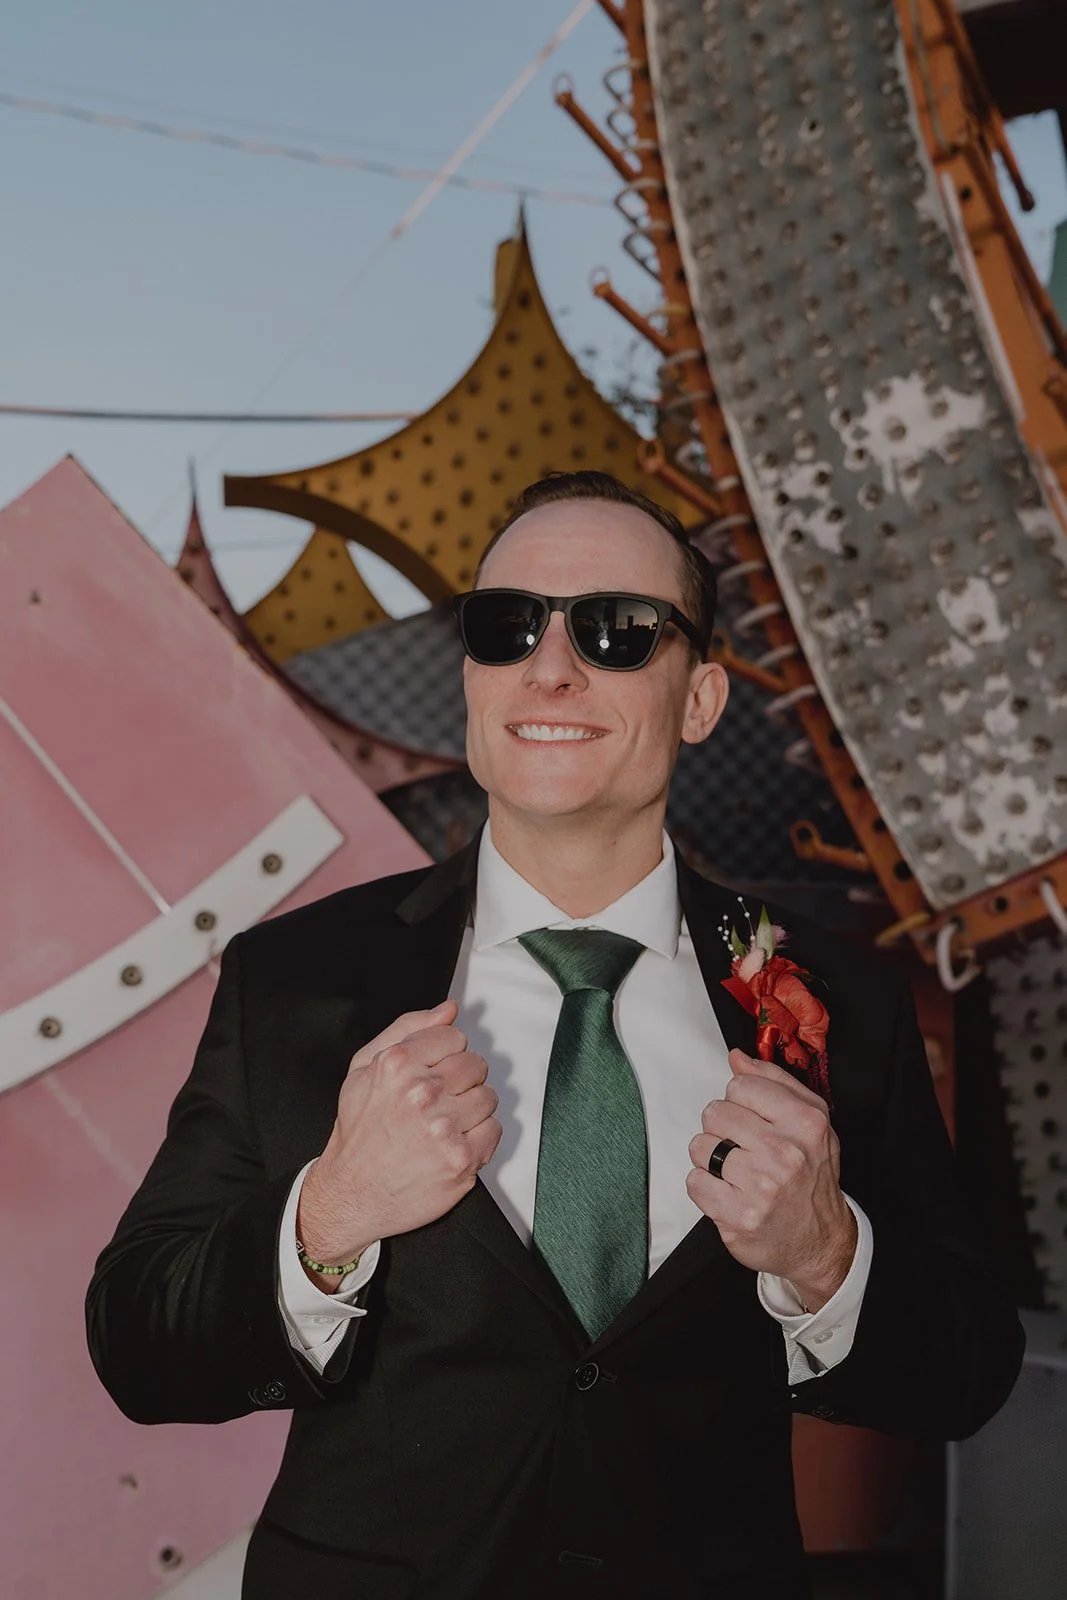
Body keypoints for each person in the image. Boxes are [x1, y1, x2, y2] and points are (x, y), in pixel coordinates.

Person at [87, 471, 1023, 1599]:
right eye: (507, 625)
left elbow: (964, 1372)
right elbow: (139, 1345)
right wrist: (331, 1212)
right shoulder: (295, 981)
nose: (549, 666)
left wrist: (825, 1255)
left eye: (617, 631)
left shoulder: (831, 1001)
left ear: (698, 699)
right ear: (473, 676)